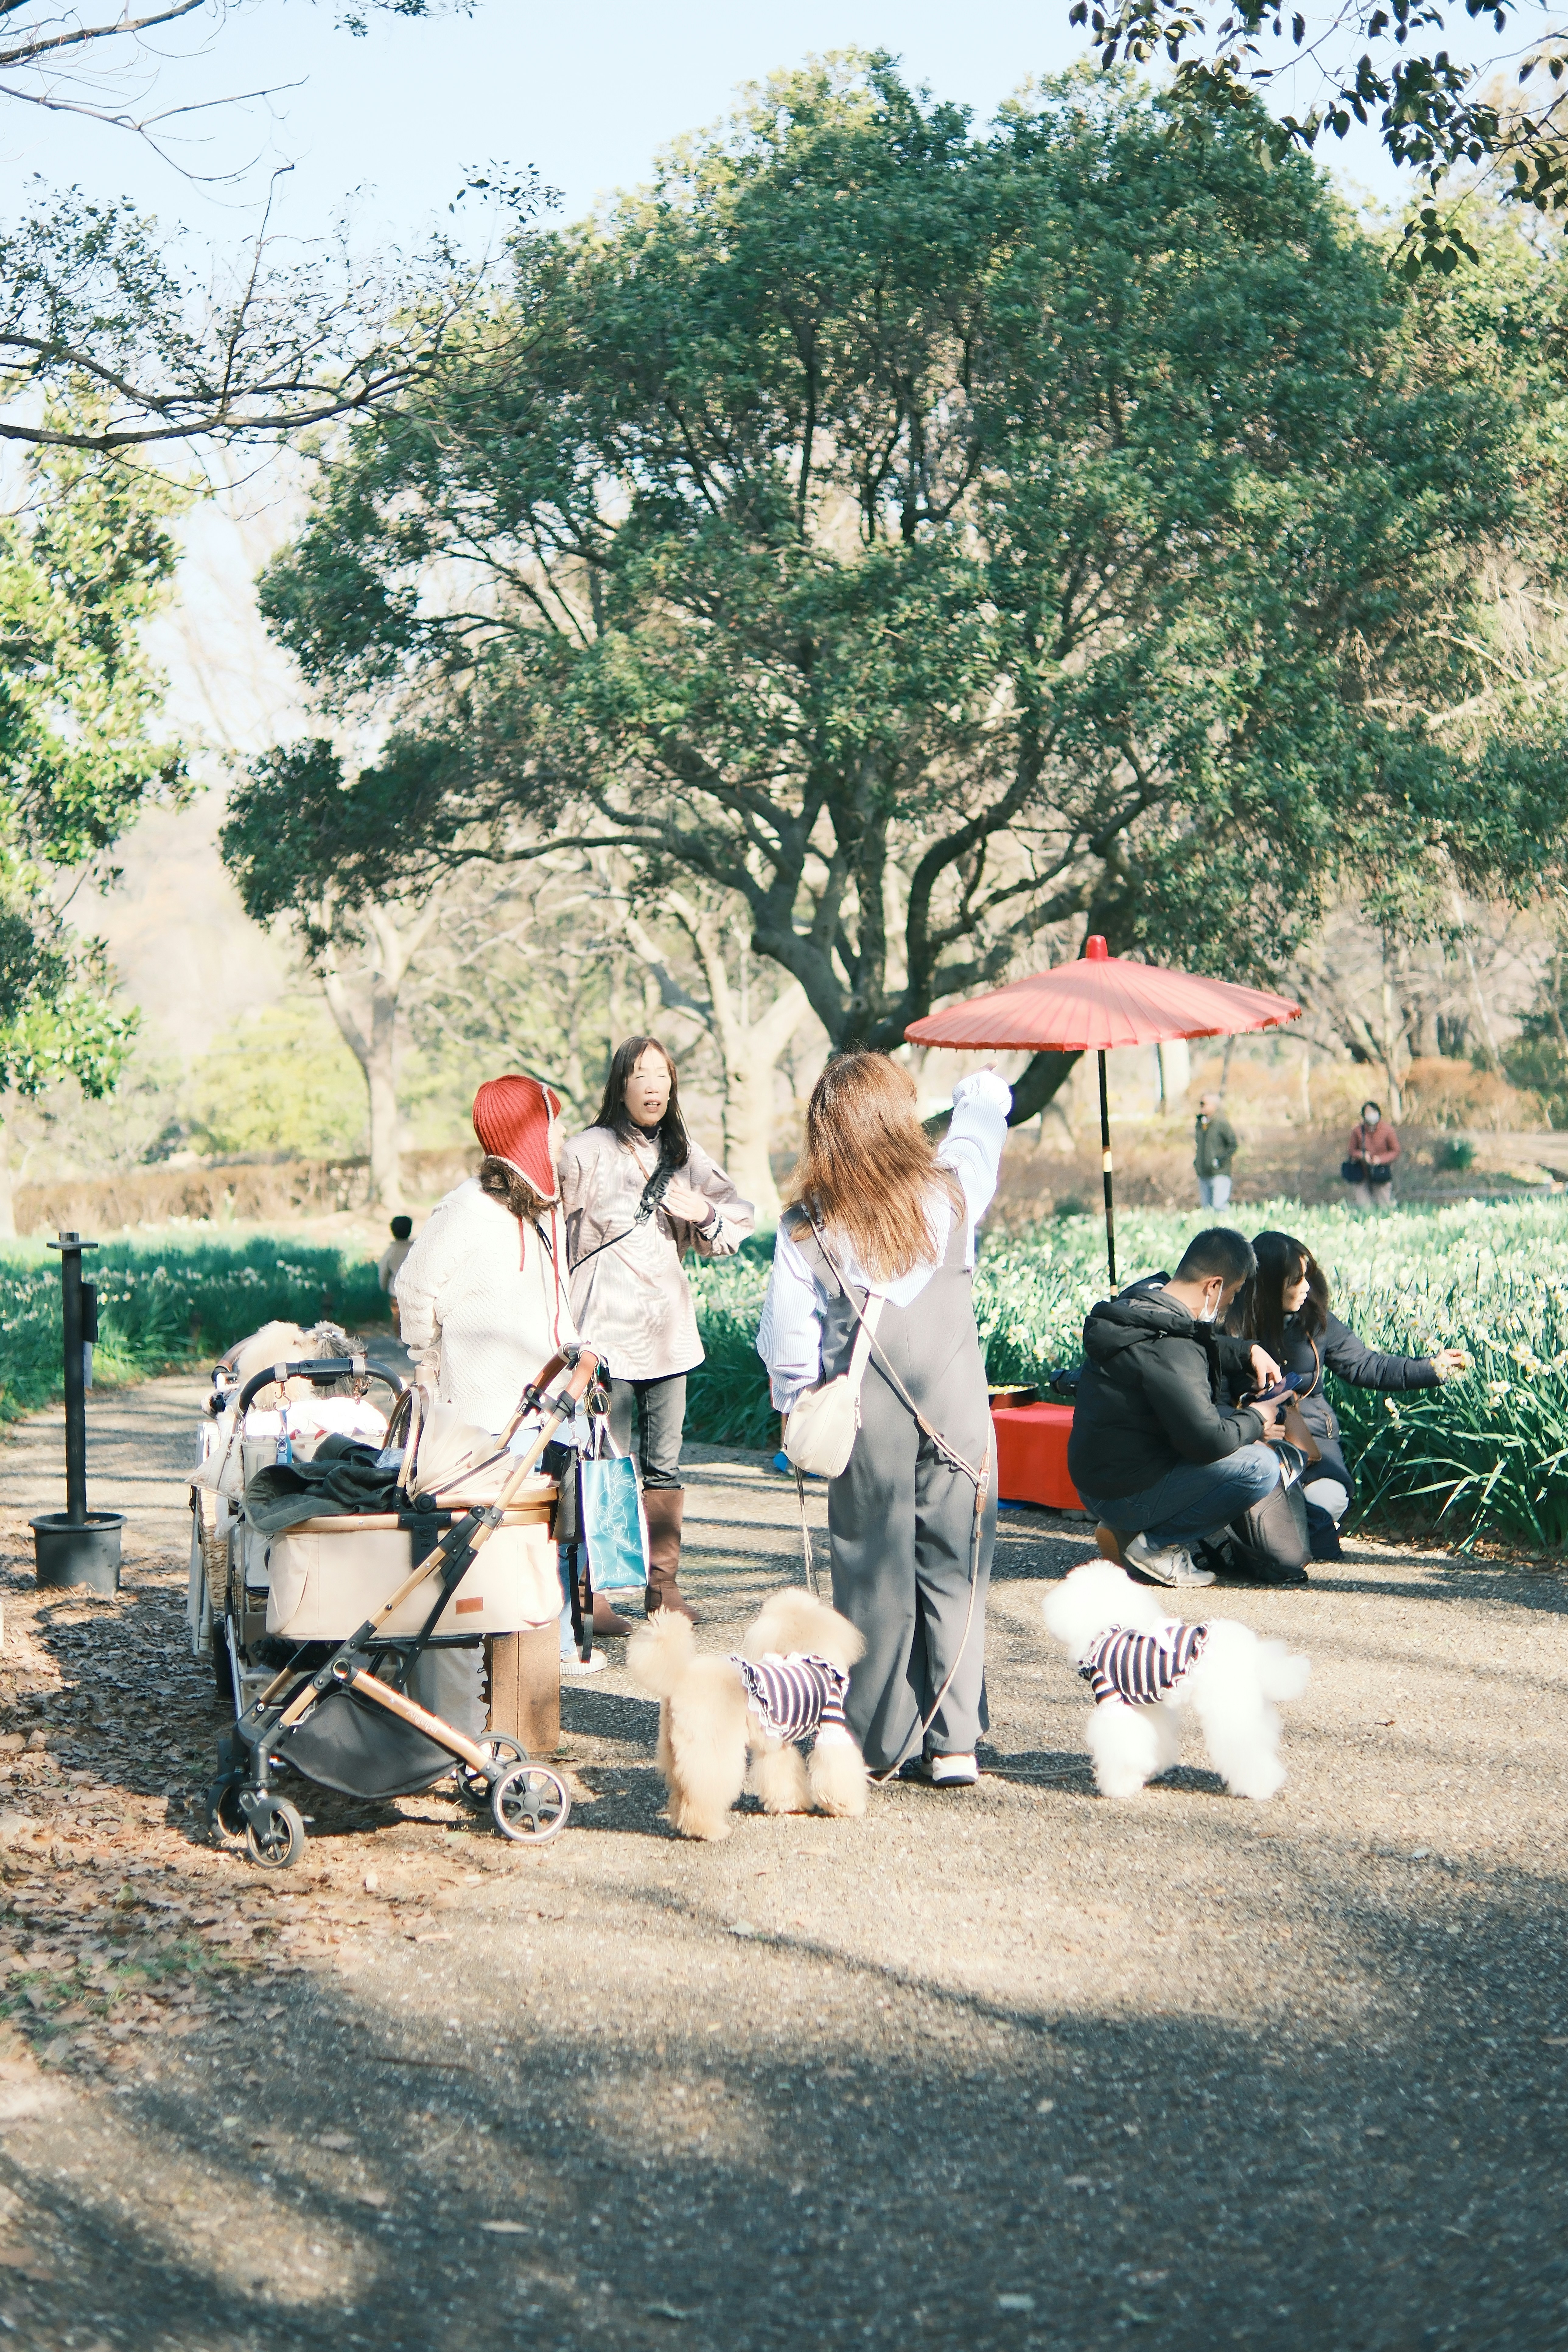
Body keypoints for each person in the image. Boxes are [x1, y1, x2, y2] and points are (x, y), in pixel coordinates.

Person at [756, 1057, 1010, 1789]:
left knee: (873, 1575)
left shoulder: (808, 1226)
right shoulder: (955, 1193)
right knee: (957, 1567)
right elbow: (978, 1130)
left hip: (867, 1415)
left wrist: (798, 1409)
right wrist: (982, 1090)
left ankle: (877, 1742)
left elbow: (789, 1344)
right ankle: (955, 1742)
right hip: (957, 1411)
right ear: (901, 1119)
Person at [393, 1074, 580, 1715]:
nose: (562, 1137)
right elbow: (414, 1290)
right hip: (484, 1417)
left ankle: (531, 1690)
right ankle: (472, 1697)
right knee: (485, 1558)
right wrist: (426, 1357)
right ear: (526, 1134)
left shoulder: (543, 1213)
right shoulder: (465, 1211)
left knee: (539, 1546)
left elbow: (554, 1304)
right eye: (554, 1124)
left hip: (547, 1409)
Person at [559, 1036, 754, 1626]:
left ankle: (661, 1591)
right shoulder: (584, 1151)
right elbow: (545, 1228)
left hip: (668, 1336)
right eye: (639, 1074)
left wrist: (705, 1214)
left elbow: (736, 1220)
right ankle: (594, 1594)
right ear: (619, 1084)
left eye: (661, 1075)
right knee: (604, 1465)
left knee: (664, 1467)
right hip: (603, 1339)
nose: (652, 1086)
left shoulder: (682, 1150)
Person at [1067, 1227, 1293, 1590]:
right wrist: (1257, 1418)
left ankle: (1129, 1528)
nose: (1230, 1305)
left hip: (1097, 1479)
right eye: (1233, 1295)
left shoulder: (1141, 1302)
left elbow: (1189, 1338)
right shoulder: (1171, 1348)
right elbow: (1206, 1442)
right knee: (1260, 1467)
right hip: (1123, 1490)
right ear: (1213, 1287)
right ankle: (1156, 1547)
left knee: (1222, 1435)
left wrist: (1245, 1350)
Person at [1231, 1229, 1468, 1556]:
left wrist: (1433, 1368)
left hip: (1310, 1440)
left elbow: (1366, 1365)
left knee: (1327, 1500)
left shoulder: (1315, 1321)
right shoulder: (1232, 1327)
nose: (1306, 1288)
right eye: (1296, 1281)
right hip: (1250, 1438)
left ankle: (1293, 1532)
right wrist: (1247, 1422)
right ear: (1270, 1285)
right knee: (1259, 1502)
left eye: (1308, 1277)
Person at [1343, 1100, 1400, 1212]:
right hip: (1362, 1173)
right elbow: (1351, 1151)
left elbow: (1396, 1151)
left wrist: (1381, 1159)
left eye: (1373, 1112)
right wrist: (1362, 1156)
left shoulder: (1387, 1130)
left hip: (1381, 1172)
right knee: (1365, 1207)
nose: (1371, 1115)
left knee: (1384, 1207)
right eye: (1368, 1113)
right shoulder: (1358, 1131)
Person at [1194, 1092, 1238, 1210]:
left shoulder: (1221, 1123)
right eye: (1200, 1103)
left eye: (1204, 1104)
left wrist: (1219, 1160)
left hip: (1219, 1173)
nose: (1201, 1106)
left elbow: (1233, 1145)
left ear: (1214, 1105)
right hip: (1204, 1173)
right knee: (1207, 1210)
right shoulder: (1200, 1123)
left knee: (1219, 1208)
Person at [376, 1213, 415, 1330]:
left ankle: (400, 1338)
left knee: (398, 1315)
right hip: (415, 1288)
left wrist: (383, 1286)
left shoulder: (391, 1251)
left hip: (396, 1290)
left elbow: (383, 1271)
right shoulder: (415, 1248)